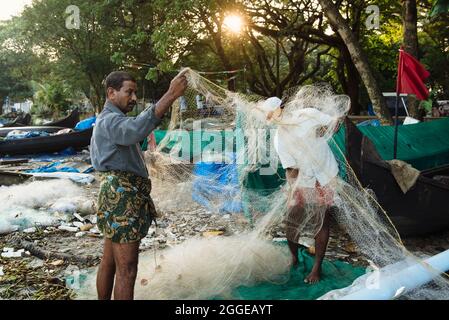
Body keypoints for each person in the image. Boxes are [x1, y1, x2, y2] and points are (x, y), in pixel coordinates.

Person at [90, 70, 188, 300]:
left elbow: (131, 134)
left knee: (110, 262)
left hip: (115, 196)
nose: (133, 98)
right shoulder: (110, 120)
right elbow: (134, 130)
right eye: (128, 92)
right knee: (128, 269)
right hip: (122, 198)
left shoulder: (107, 119)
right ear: (111, 93)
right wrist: (171, 95)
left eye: (135, 92)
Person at [264, 97, 342, 284]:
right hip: (303, 179)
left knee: (320, 221)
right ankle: (294, 258)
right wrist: (294, 189)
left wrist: (323, 130)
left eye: (275, 114)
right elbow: (291, 169)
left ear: (283, 108)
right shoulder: (279, 138)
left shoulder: (309, 114)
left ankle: (317, 269)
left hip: (325, 173)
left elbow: (336, 122)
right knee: (291, 221)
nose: (275, 119)